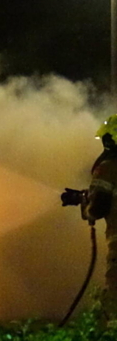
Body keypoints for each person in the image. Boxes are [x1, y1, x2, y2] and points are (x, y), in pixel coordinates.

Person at [66, 115, 117, 313]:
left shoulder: (108, 167)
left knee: (113, 304)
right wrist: (81, 197)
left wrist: (86, 207)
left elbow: (99, 208)